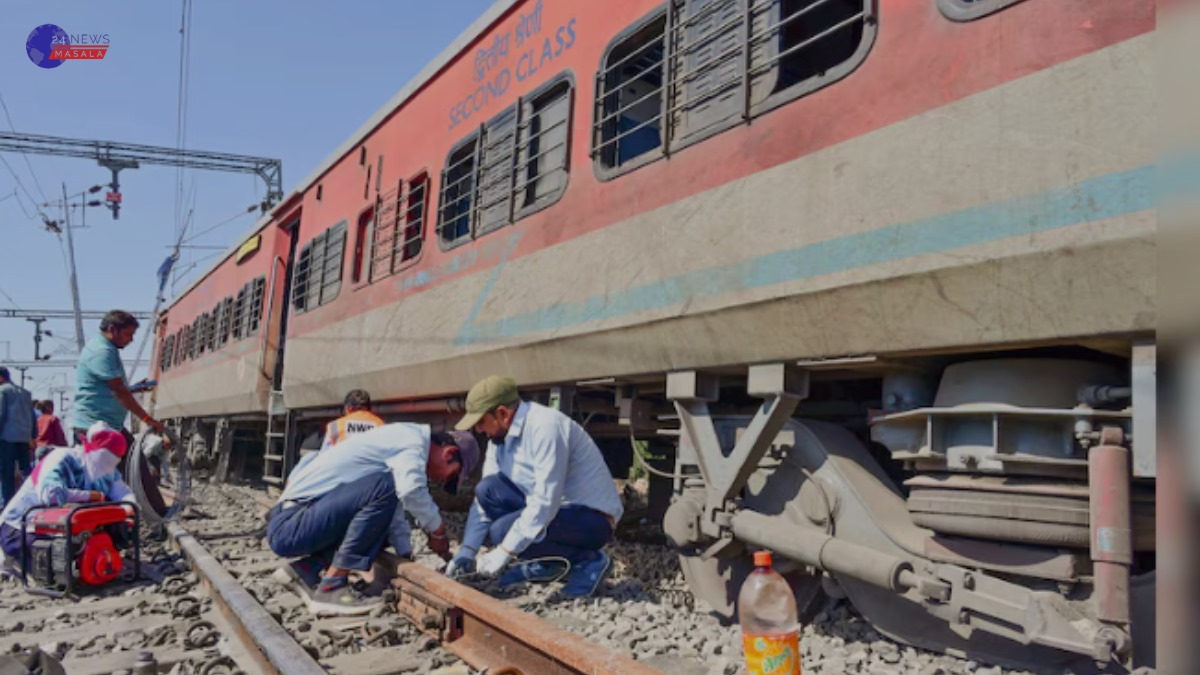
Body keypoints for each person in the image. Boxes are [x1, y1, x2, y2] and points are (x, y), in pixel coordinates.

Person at [266, 423, 479, 615]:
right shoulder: (411, 443)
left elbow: (389, 510)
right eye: (451, 476)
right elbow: (409, 490)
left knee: (380, 519)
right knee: (385, 488)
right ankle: (331, 587)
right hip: (291, 525)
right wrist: (438, 531)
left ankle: (306, 569)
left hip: (295, 520)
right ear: (449, 453)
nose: (443, 481)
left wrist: (404, 554)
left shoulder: (401, 440)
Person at [445, 376, 624, 599]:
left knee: (502, 532)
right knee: (487, 490)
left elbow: (545, 501)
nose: (479, 430)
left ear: (502, 413)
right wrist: (467, 551)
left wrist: (505, 551)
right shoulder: (498, 440)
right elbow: (483, 503)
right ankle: (550, 563)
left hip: (591, 519)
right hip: (556, 514)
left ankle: (589, 562)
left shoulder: (545, 427)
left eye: (481, 421)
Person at [0, 423, 137, 568]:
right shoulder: (63, 458)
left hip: (63, 527)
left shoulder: (108, 472)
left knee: (116, 526)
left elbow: (123, 492)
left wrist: (128, 508)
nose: (107, 467)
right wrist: (90, 496)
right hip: (21, 526)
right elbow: (51, 494)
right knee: (53, 559)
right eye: (105, 459)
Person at [72, 310, 166, 444]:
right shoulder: (102, 352)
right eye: (128, 334)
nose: (131, 340)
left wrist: (134, 388)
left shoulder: (105, 347)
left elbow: (108, 388)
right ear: (112, 329)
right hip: (94, 427)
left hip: (108, 425)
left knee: (134, 463)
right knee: (123, 464)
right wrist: (147, 419)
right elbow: (118, 391)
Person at [0, 367, 35, 508]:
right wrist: (33, 435)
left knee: (6, 473)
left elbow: (0, 414)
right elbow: (32, 416)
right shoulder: (25, 393)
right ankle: (27, 502)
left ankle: (7, 504)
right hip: (24, 438)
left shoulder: (2, 391)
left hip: (6, 438)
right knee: (25, 473)